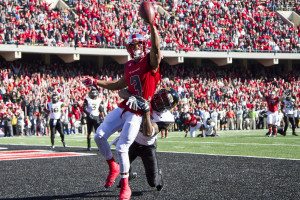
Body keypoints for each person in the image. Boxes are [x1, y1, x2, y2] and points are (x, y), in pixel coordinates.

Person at [82, 15, 162, 200]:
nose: (136, 48)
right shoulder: (128, 65)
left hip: (140, 111)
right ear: (128, 48)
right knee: (99, 135)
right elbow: (118, 84)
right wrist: (95, 82)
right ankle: (113, 166)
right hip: (126, 106)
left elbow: (156, 49)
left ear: (143, 45)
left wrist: (152, 25)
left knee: (122, 146)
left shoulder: (149, 62)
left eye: (139, 45)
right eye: (132, 45)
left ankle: (125, 186)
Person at [115, 88, 178, 191]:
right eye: (160, 97)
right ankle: (129, 175)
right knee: (120, 164)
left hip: (148, 147)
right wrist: (133, 98)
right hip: (133, 141)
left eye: (164, 101)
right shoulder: (146, 97)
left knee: (153, 183)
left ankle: (159, 176)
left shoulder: (167, 118)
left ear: (168, 107)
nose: (159, 101)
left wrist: (146, 111)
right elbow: (121, 92)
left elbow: (148, 133)